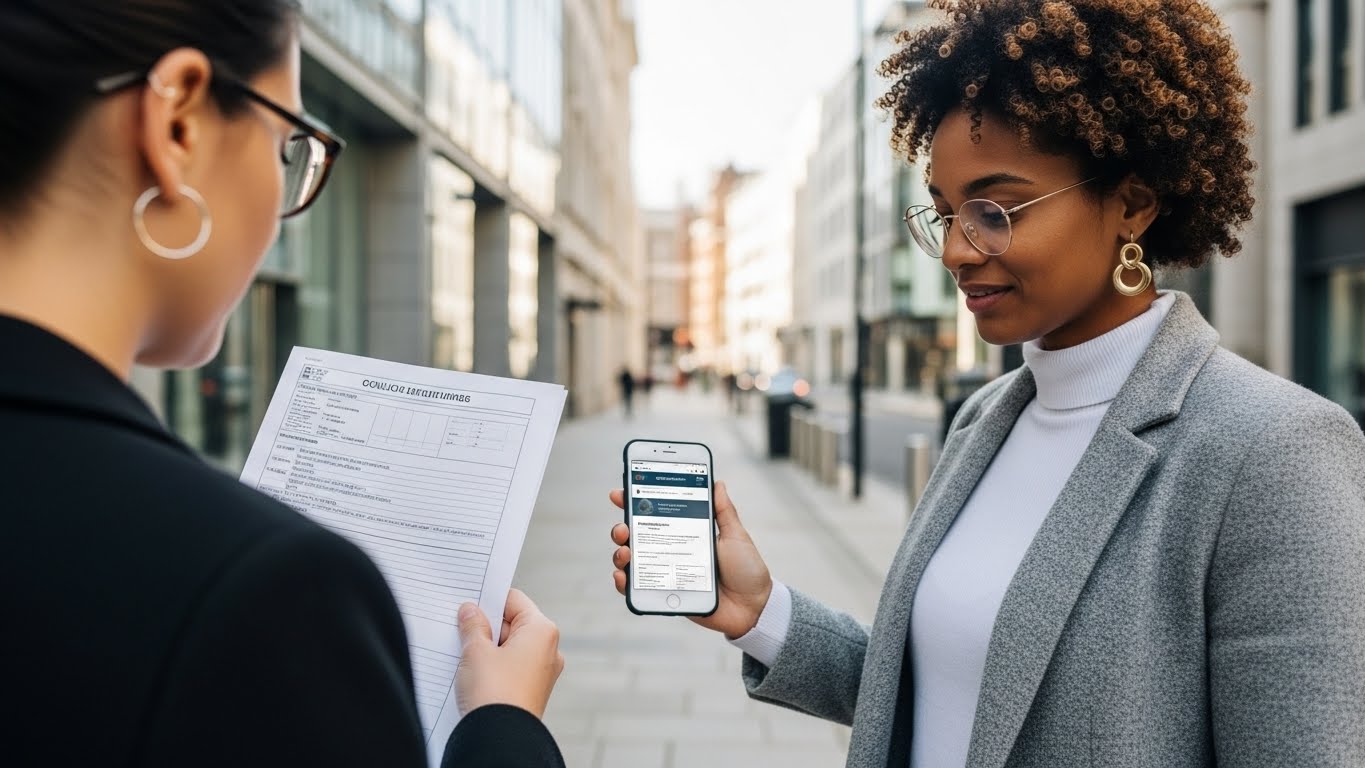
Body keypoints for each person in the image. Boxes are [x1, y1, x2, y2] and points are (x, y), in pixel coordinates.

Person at [608, 1, 1365, 765]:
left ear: (1131, 204)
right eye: (943, 214)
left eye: (995, 211)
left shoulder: (1275, 450)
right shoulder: (983, 418)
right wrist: (761, 612)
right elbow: (956, 695)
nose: (956, 253)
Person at [0, 2, 564, 766]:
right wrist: (502, 729)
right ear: (180, 125)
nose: (283, 203)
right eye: (286, 145)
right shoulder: (269, 592)